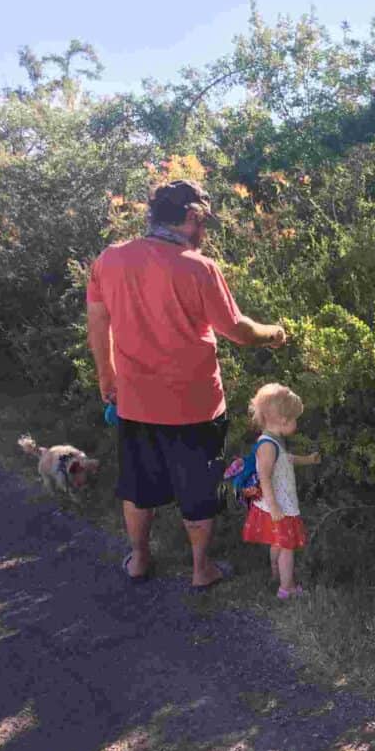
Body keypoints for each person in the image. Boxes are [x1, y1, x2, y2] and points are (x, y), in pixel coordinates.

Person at [86, 179, 286, 589]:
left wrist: (107, 380)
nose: (204, 233)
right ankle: (201, 570)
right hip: (195, 405)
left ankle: (139, 560)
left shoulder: (110, 260)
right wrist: (276, 333)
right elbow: (238, 330)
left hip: (135, 401)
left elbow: (98, 323)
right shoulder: (198, 267)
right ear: (191, 217)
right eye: (203, 223)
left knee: (138, 487)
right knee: (197, 489)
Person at [240, 383, 319, 599]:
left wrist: (308, 460)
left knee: (277, 541)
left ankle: (275, 574)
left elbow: (286, 460)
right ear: (283, 420)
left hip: (277, 504)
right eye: (295, 419)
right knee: (287, 546)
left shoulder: (274, 440)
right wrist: (274, 506)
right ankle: (287, 588)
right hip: (278, 506)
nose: (296, 424)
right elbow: (264, 476)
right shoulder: (267, 445)